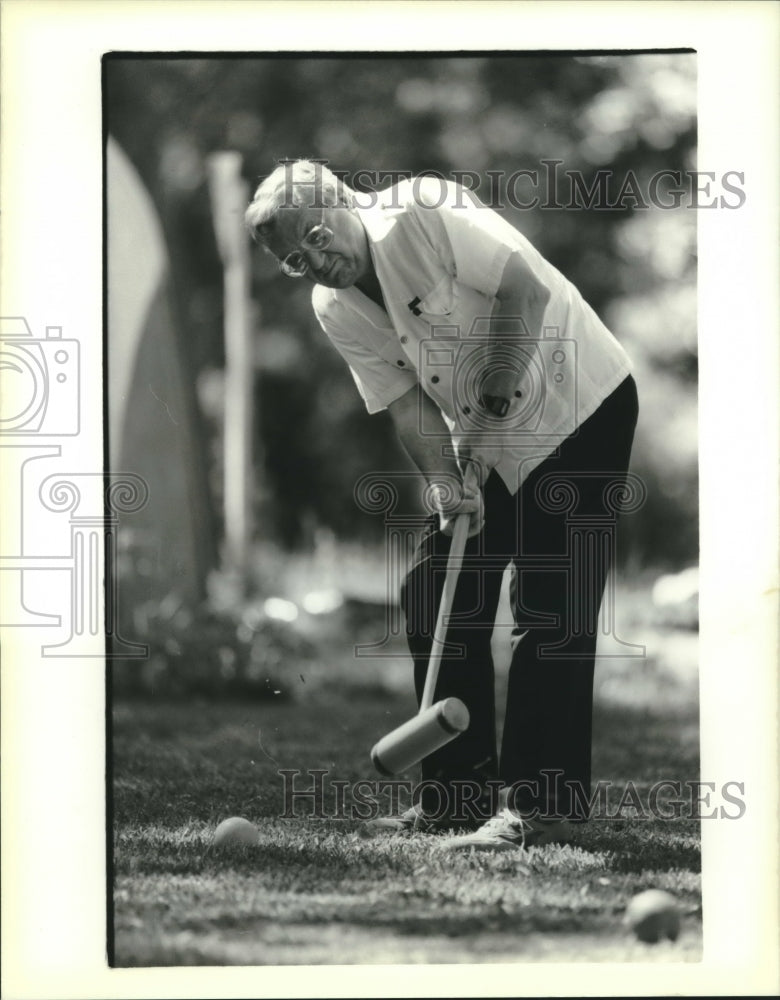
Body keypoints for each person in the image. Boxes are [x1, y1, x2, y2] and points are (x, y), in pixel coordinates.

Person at [245, 160, 638, 851]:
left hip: (578, 403)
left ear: (340, 201)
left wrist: (489, 406)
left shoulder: (424, 211)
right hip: (481, 437)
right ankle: (453, 799)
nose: (315, 260)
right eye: (295, 261)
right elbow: (403, 401)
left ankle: (542, 806)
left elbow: (525, 289)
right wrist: (444, 481)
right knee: (436, 594)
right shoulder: (333, 307)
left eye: (314, 236)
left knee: (552, 604)